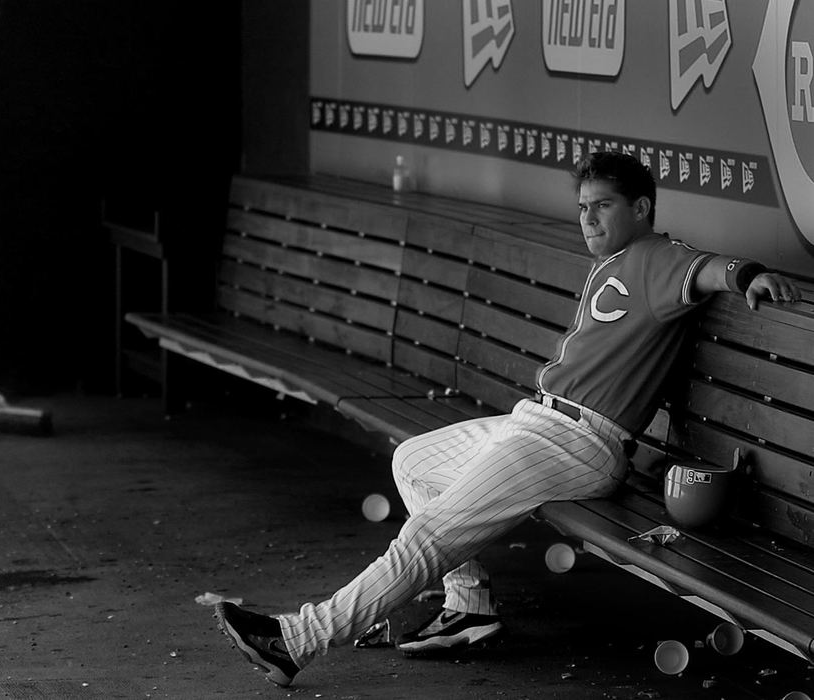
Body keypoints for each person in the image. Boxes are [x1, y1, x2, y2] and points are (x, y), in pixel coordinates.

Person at [213, 151, 804, 687]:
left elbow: (706, 268)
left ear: (641, 208)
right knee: (411, 461)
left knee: (428, 534)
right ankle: (468, 607)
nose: (589, 219)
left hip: (577, 441)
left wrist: (747, 276)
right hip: (538, 422)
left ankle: (299, 638)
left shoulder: (653, 257)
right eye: (583, 207)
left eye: (603, 206)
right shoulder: (616, 261)